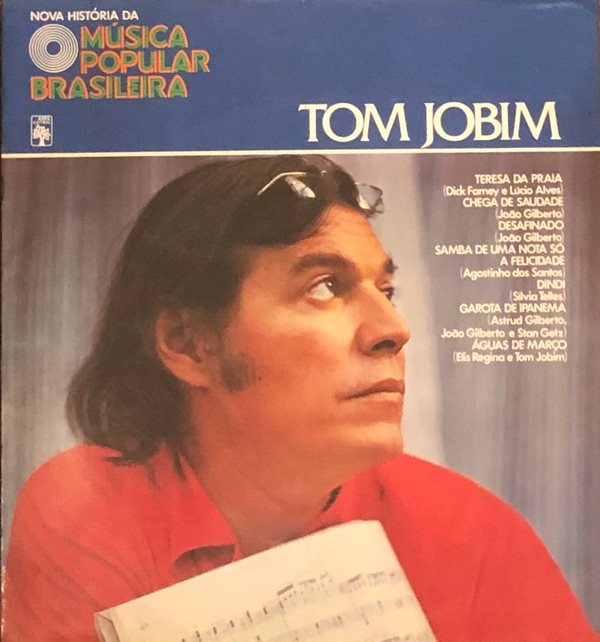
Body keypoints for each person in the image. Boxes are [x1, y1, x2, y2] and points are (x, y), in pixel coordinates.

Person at [3, 155, 597, 641]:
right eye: (324, 287)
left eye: (387, 290)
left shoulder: (475, 533)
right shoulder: (87, 508)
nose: (393, 329)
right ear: (188, 344)